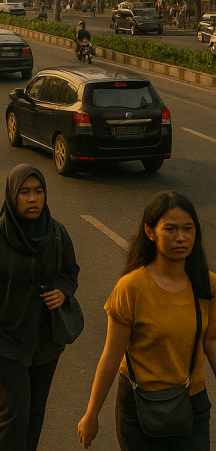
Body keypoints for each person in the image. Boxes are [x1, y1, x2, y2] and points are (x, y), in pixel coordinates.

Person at [78, 190, 216, 450]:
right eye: (171, 229)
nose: (181, 237)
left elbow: (211, 342)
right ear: (150, 232)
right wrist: (91, 413)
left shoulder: (207, 285)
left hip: (191, 402)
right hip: (140, 405)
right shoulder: (131, 288)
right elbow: (110, 355)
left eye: (188, 228)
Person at [0, 164, 80, 451]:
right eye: (24, 192)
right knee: (14, 413)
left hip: (46, 341)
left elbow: (70, 271)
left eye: (38, 192)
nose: (33, 199)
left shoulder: (56, 233)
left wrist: (63, 291)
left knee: (36, 410)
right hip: (5, 341)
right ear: (13, 196)